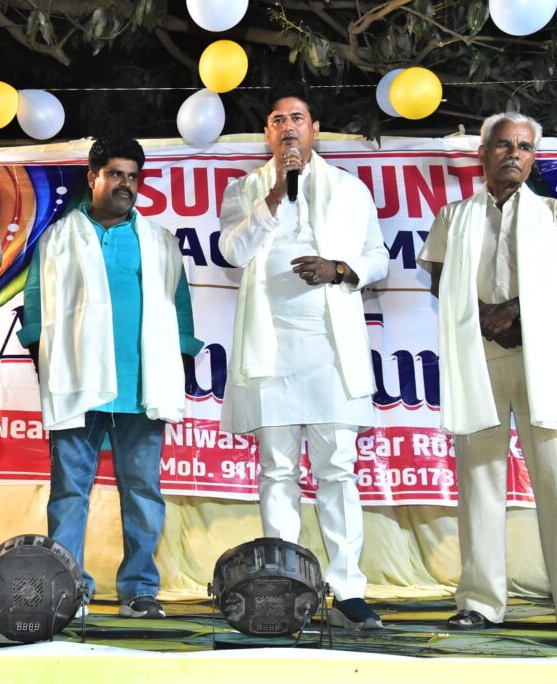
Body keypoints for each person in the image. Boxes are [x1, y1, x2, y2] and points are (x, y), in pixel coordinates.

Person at [217, 83, 388, 629]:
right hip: (269, 347)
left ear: (314, 129)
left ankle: (348, 591)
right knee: (277, 470)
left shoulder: (350, 189)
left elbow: (377, 256)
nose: (288, 127)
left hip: (330, 348)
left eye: (297, 118)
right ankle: (282, 585)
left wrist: (339, 269)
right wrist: (273, 195)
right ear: (267, 134)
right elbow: (232, 251)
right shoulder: (245, 189)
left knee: (338, 470)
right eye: (277, 120)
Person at [417, 112, 557, 630]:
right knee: (479, 480)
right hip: (479, 355)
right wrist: (484, 318)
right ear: (483, 153)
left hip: (539, 355)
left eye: (524, 147)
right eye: (504, 144)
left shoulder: (554, 213)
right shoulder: (454, 215)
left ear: (532, 158)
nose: (514, 154)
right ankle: (480, 602)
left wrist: (514, 314)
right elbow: (441, 282)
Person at [17, 137, 203, 619]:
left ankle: (139, 590)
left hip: (142, 385)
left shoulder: (158, 239)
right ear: (93, 178)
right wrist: (41, 355)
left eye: (133, 176)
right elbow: (35, 302)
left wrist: (182, 357)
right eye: (116, 174)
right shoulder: (58, 237)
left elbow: (178, 303)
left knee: (143, 492)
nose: (126, 184)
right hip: (77, 382)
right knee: (69, 492)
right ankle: (67, 589)